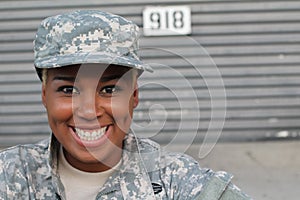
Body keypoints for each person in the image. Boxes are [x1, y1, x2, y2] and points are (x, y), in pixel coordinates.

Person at [0, 10, 251, 199]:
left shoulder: (176, 181)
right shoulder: (10, 176)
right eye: (69, 90)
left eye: (109, 89)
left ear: (134, 97)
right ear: (45, 95)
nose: (89, 111)